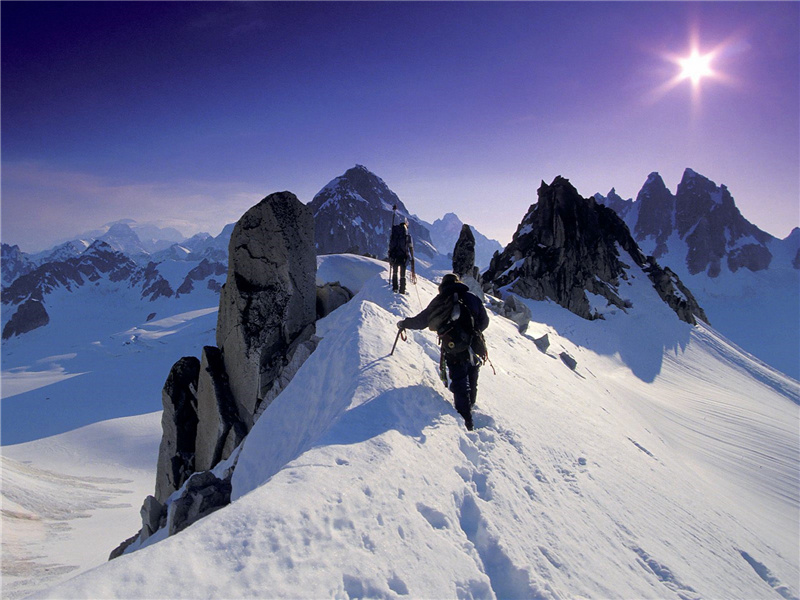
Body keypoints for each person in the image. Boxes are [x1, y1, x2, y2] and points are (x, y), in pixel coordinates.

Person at [397, 273, 489, 431]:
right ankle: (470, 406)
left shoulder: (440, 300)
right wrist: (472, 332)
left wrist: (404, 324)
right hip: (474, 346)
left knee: (460, 382)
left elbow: (422, 321)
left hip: (453, 348)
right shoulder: (472, 297)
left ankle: (466, 422)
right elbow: (485, 321)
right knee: (472, 375)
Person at [388, 220, 415, 294]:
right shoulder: (407, 236)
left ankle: (395, 287)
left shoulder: (394, 235)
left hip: (394, 256)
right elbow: (411, 247)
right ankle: (402, 289)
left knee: (395, 272)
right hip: (403, 256)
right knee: (402, 274)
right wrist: (412, 257)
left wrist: (390, 256)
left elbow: (390, 245)